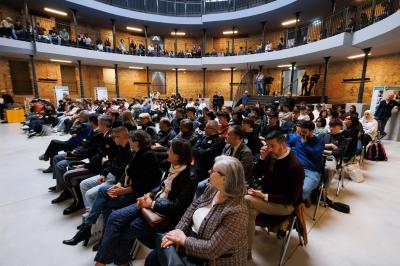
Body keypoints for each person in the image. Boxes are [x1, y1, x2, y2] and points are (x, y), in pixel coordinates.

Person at [94, 139, 196, 265]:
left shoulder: (190, 177)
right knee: (114, 217)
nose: (167, 152)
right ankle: (104, 261)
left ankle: (118, 262)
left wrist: (152, 204)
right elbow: (161, 187)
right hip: (152, 203)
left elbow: (177, 206)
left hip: (163, 215)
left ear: (178, 155)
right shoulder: (172, 165)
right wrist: (149, 195)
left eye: (170, 151)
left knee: (124, 229)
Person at [145, 156, 248, 266]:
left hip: (212, 260)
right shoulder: (213, 188)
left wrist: (183, 241)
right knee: (152, 258)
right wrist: (178, 232)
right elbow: (192, 208)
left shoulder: (237, 212)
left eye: (213, 171)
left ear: (225, 179)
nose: (209, 172)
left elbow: (212, 250)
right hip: (192, 240)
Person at [246, 130, 304, 259]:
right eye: (267, 145)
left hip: (285, 205)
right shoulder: (271, 157)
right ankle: (246, 252)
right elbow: (255, 175)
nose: (269, 149)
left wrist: (264, 196)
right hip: (268, 199)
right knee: (248, 211)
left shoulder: (295, 166)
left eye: (272, 146)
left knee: (247, 200)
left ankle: (243, 250)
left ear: (283, 144)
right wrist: (261, 158)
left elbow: (291, 198)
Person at [287, 120, 324, 201]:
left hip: (312, 171)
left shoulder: (319, 141)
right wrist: (288, 147)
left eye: (304, 132)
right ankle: (294, 205)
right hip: (297, 168)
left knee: (304, 190)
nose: (302, 134)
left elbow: (314, 154)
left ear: (311, 131)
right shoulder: (298, 138)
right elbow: (288, 143)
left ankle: (293, 206)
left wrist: (305, 144)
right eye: (301, 131)